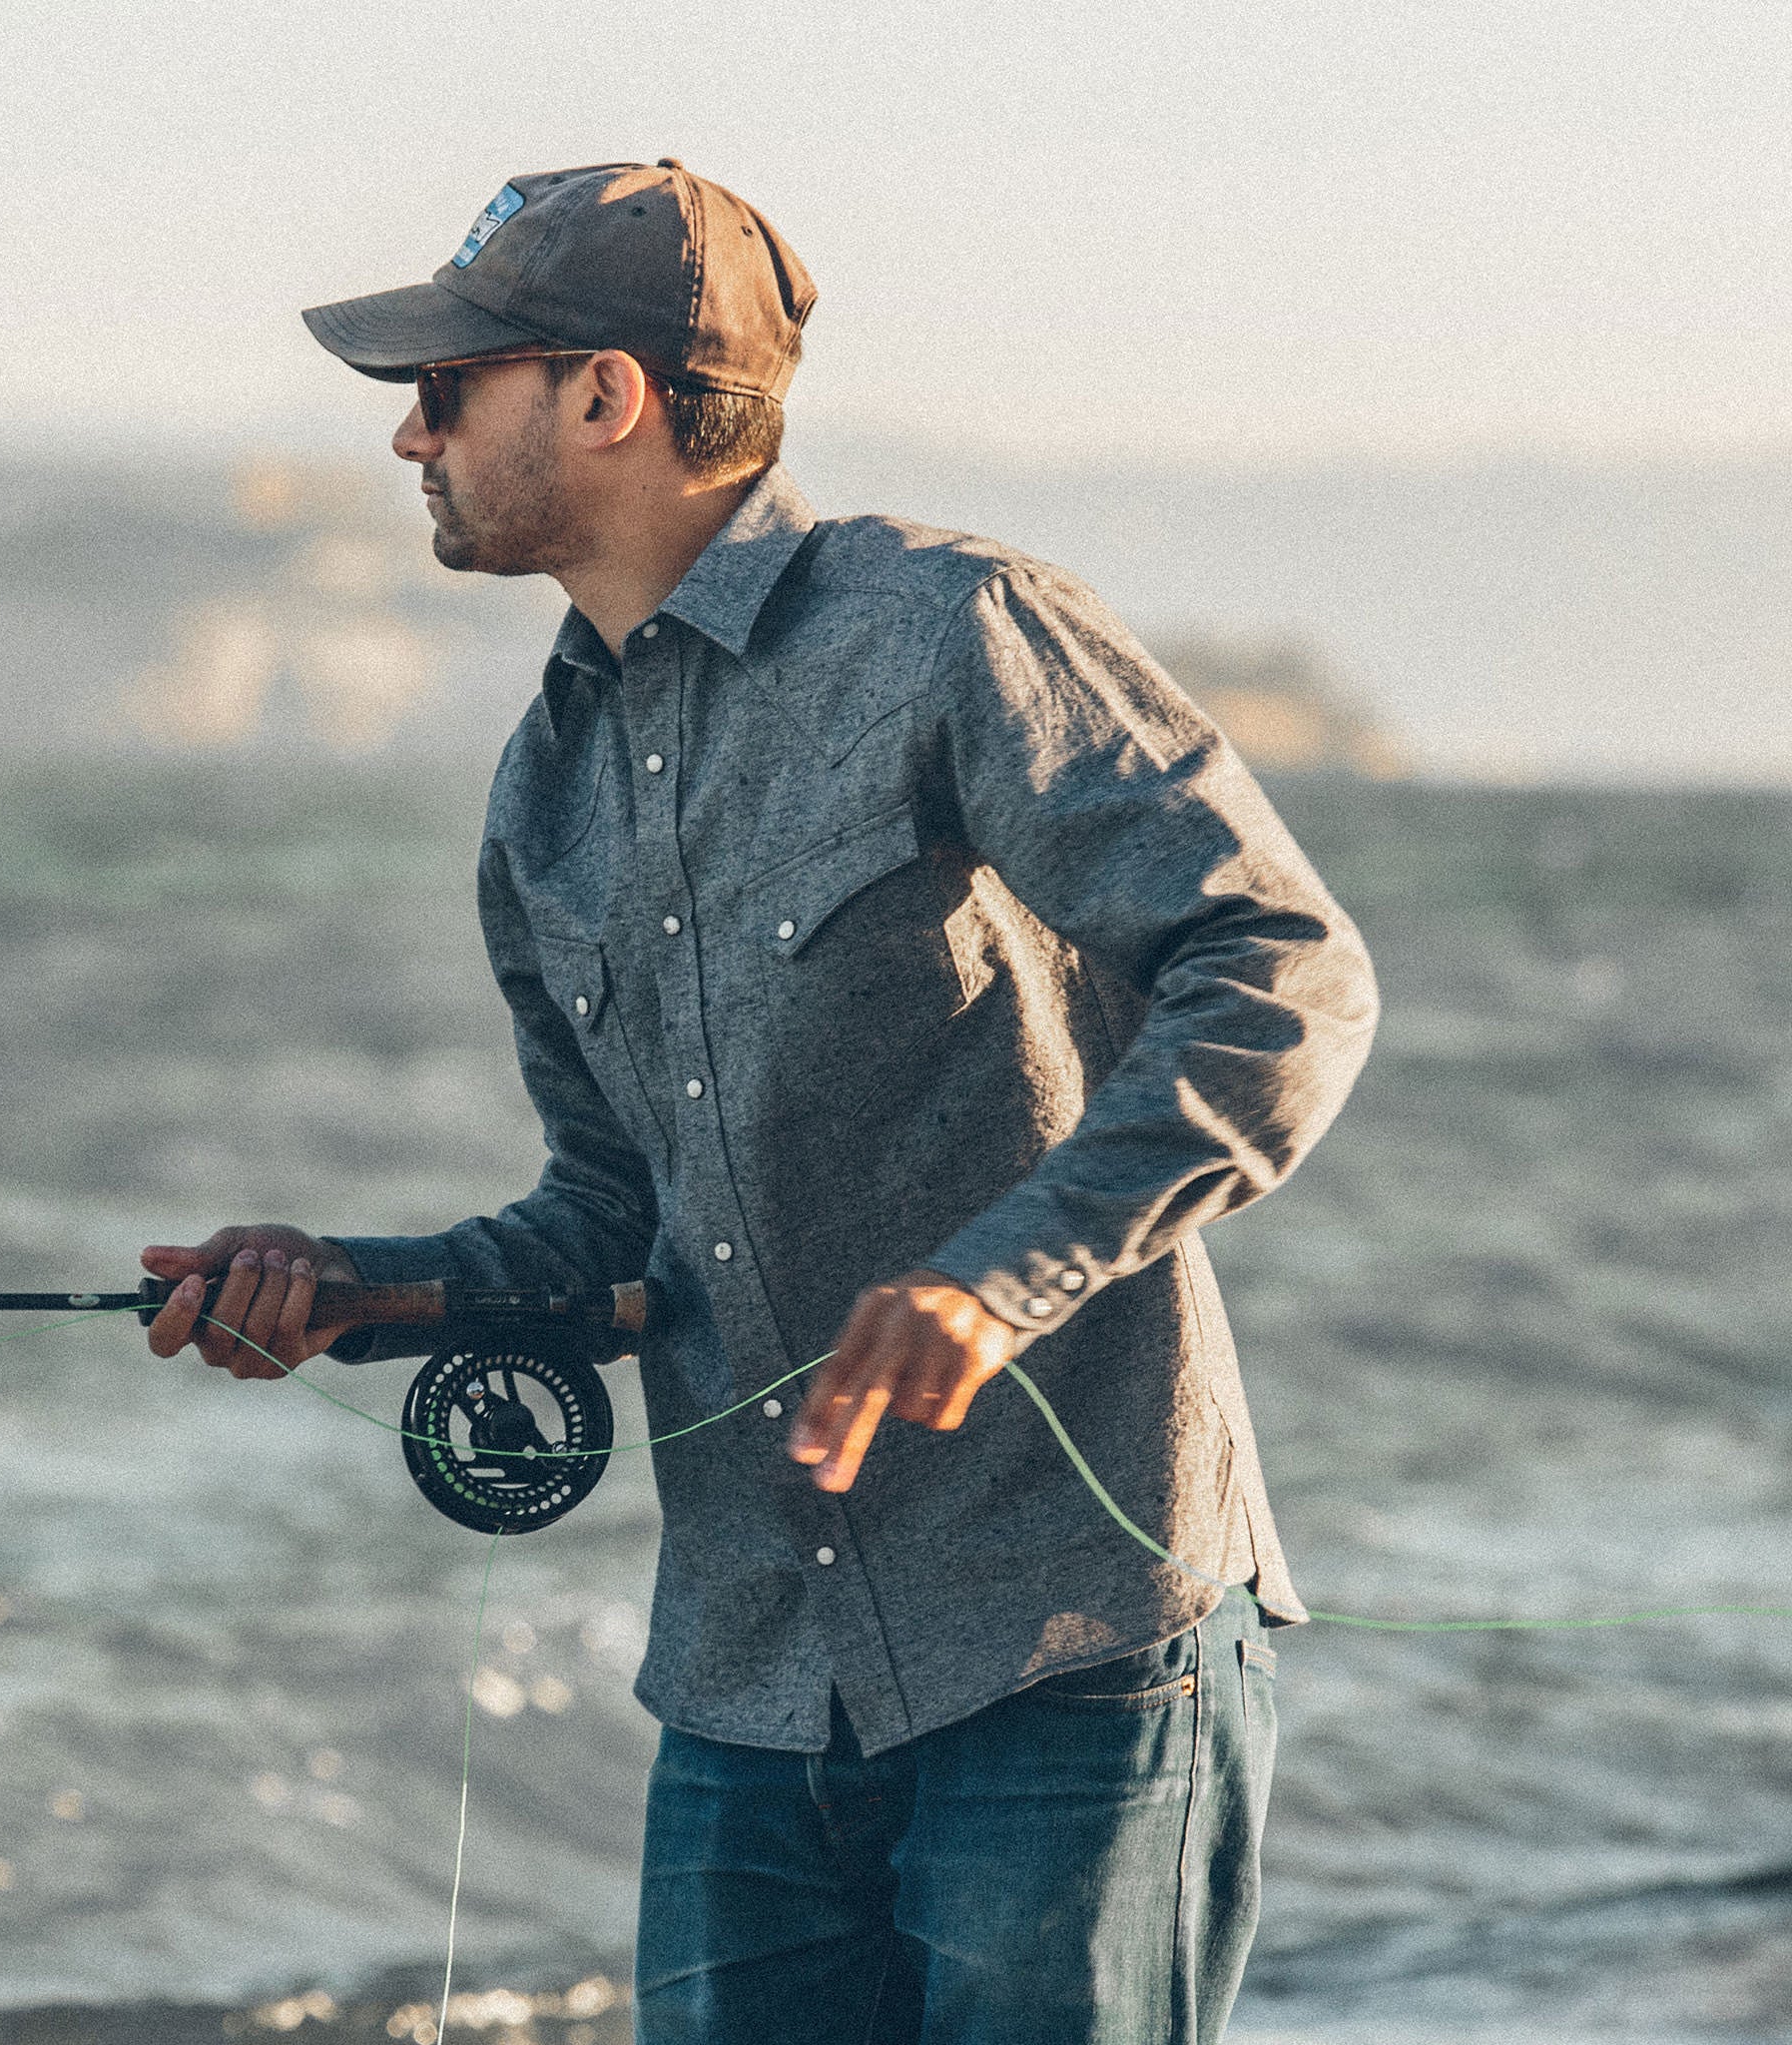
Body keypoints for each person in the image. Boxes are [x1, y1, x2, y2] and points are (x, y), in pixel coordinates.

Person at [141, 160, 1379, 2044]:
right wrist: (359, 1288)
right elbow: (614, 1224)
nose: (408, 434)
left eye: (448, 389)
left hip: (1073, 1650)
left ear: (606, 396)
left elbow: (1279, 975)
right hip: (749, 1690)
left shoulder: (957, 631)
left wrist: (996, 1285)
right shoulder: (538, 792)